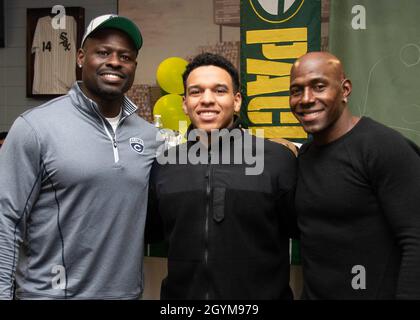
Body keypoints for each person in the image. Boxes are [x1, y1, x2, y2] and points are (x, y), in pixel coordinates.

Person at [0, 14, 161, 299]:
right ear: (80, 57)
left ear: (134, 66)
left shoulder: (149, 137)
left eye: (125, 56)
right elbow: (6, 222)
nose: (114, 61)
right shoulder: (35, 127)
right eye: (103, 52)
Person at [146, 52, 298, 299]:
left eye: (219, 90)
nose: (207, 100)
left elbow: (304, 230)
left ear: (237, 101)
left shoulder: (277, 160)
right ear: (185, 104)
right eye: (196, 92)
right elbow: (152, 231)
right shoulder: (165, 164)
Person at [289, 51, 420, 299]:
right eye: (296, 90)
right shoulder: (305, 156)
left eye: (319, 86)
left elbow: (416, 238)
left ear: (345, 89)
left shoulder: (382, 146)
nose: (306, 99)